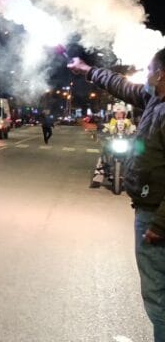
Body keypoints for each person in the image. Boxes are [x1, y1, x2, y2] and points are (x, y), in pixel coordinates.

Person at [68, 52, 165, 342]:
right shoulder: (154, 100)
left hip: (155, 215)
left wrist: (159, 224)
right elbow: (121, 85)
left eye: (150, 69)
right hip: (150, 208)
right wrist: (87, 70)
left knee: (158, 296)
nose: (146, 74)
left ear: (161, 74)